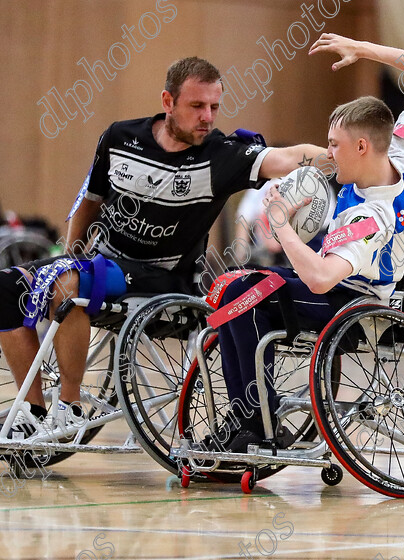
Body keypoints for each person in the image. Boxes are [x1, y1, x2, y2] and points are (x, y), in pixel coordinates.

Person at [0, 56, 327, 438]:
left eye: (214, 107)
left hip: (164, 278)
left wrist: (341, 155)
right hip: (101, 264)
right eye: (196, 106)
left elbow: (287, 157)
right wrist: (71, 253)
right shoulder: (119, 138)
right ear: (168, 102)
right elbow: (89, 201)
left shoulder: (222, 155)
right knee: (7, 288)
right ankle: (33, 408)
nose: (207, 117)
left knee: (67, 283)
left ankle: (70, 407)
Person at [211, 33, 404, 452]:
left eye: (335, 145)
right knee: (233, 287)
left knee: (241, 293)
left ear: (361, 146)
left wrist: (281, 223)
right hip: (346, 283)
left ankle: (254, 424)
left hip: (355, 300)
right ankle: (246, 414)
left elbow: (320, 278)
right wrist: (364, 49)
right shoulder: (403, 146)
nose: (329, 152)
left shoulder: (369, 217)